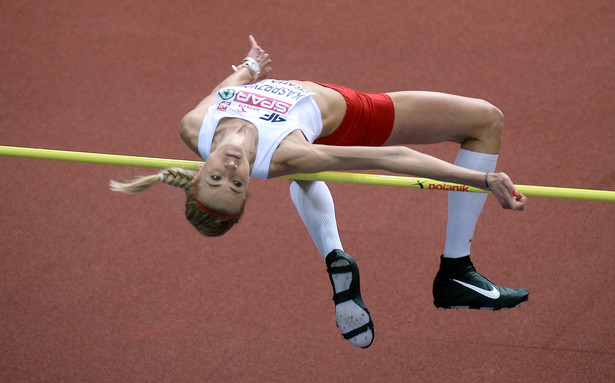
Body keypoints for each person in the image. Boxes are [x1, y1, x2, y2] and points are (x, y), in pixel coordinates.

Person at [110, 35, 529, 349]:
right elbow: (394, 158)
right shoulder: (285, 154)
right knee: (486, 120)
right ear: (248, 189)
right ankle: (456, 272)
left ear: (200, 172)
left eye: (217, 178)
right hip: (359, 114)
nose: (231, 170)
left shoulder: (192, 126)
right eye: (238, 185)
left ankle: (335, 257)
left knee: (306, 177)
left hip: (317, 106)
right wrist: (481, 180)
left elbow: (225, 94)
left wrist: (250, 66)